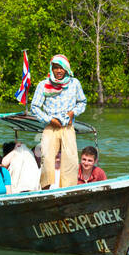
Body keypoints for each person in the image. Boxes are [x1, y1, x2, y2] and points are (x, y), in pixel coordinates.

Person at [29, 54, 86, 190]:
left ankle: (68, 189)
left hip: (67, 126)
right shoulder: (44, 85)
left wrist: (73, 113)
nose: (58, 71)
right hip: (51, 126)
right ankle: (45, 189)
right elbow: (34, 107)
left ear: (66, 69)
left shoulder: (74, 83)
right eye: (55, 68)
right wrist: (50, 120)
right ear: (51, 69)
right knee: (47, 158)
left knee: (70, 160)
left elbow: (82, 102)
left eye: (61, 68)